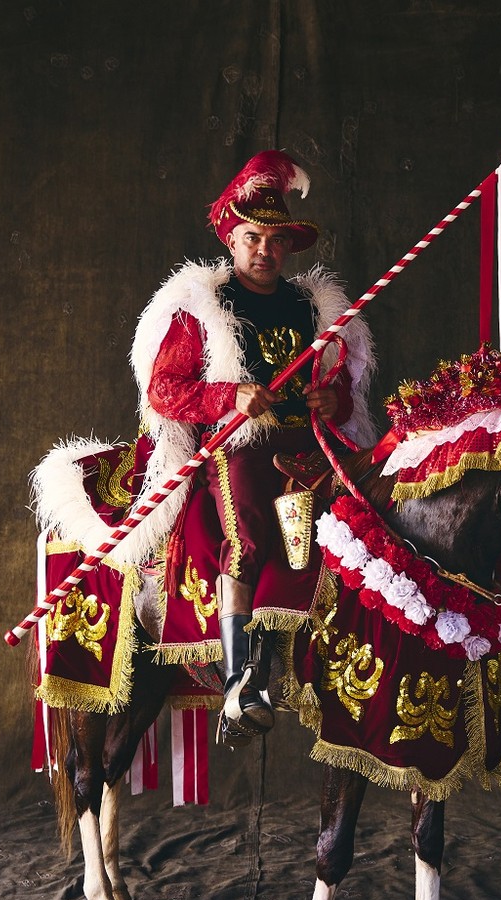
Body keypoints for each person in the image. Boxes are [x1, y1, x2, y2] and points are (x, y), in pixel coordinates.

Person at [129, 150, 376, 747]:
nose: (264, 250)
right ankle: (242, 680)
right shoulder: (203, 309)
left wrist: (330, 403)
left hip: (308, 445)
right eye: (252, 237)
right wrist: (229, 398)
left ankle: (334, 667)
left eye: (275, 240)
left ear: (289, 247)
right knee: (250, 536)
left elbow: (343, 384)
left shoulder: (314, 308)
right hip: (239, 447)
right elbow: (165, 391)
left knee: (363, 526)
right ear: (231, 239)